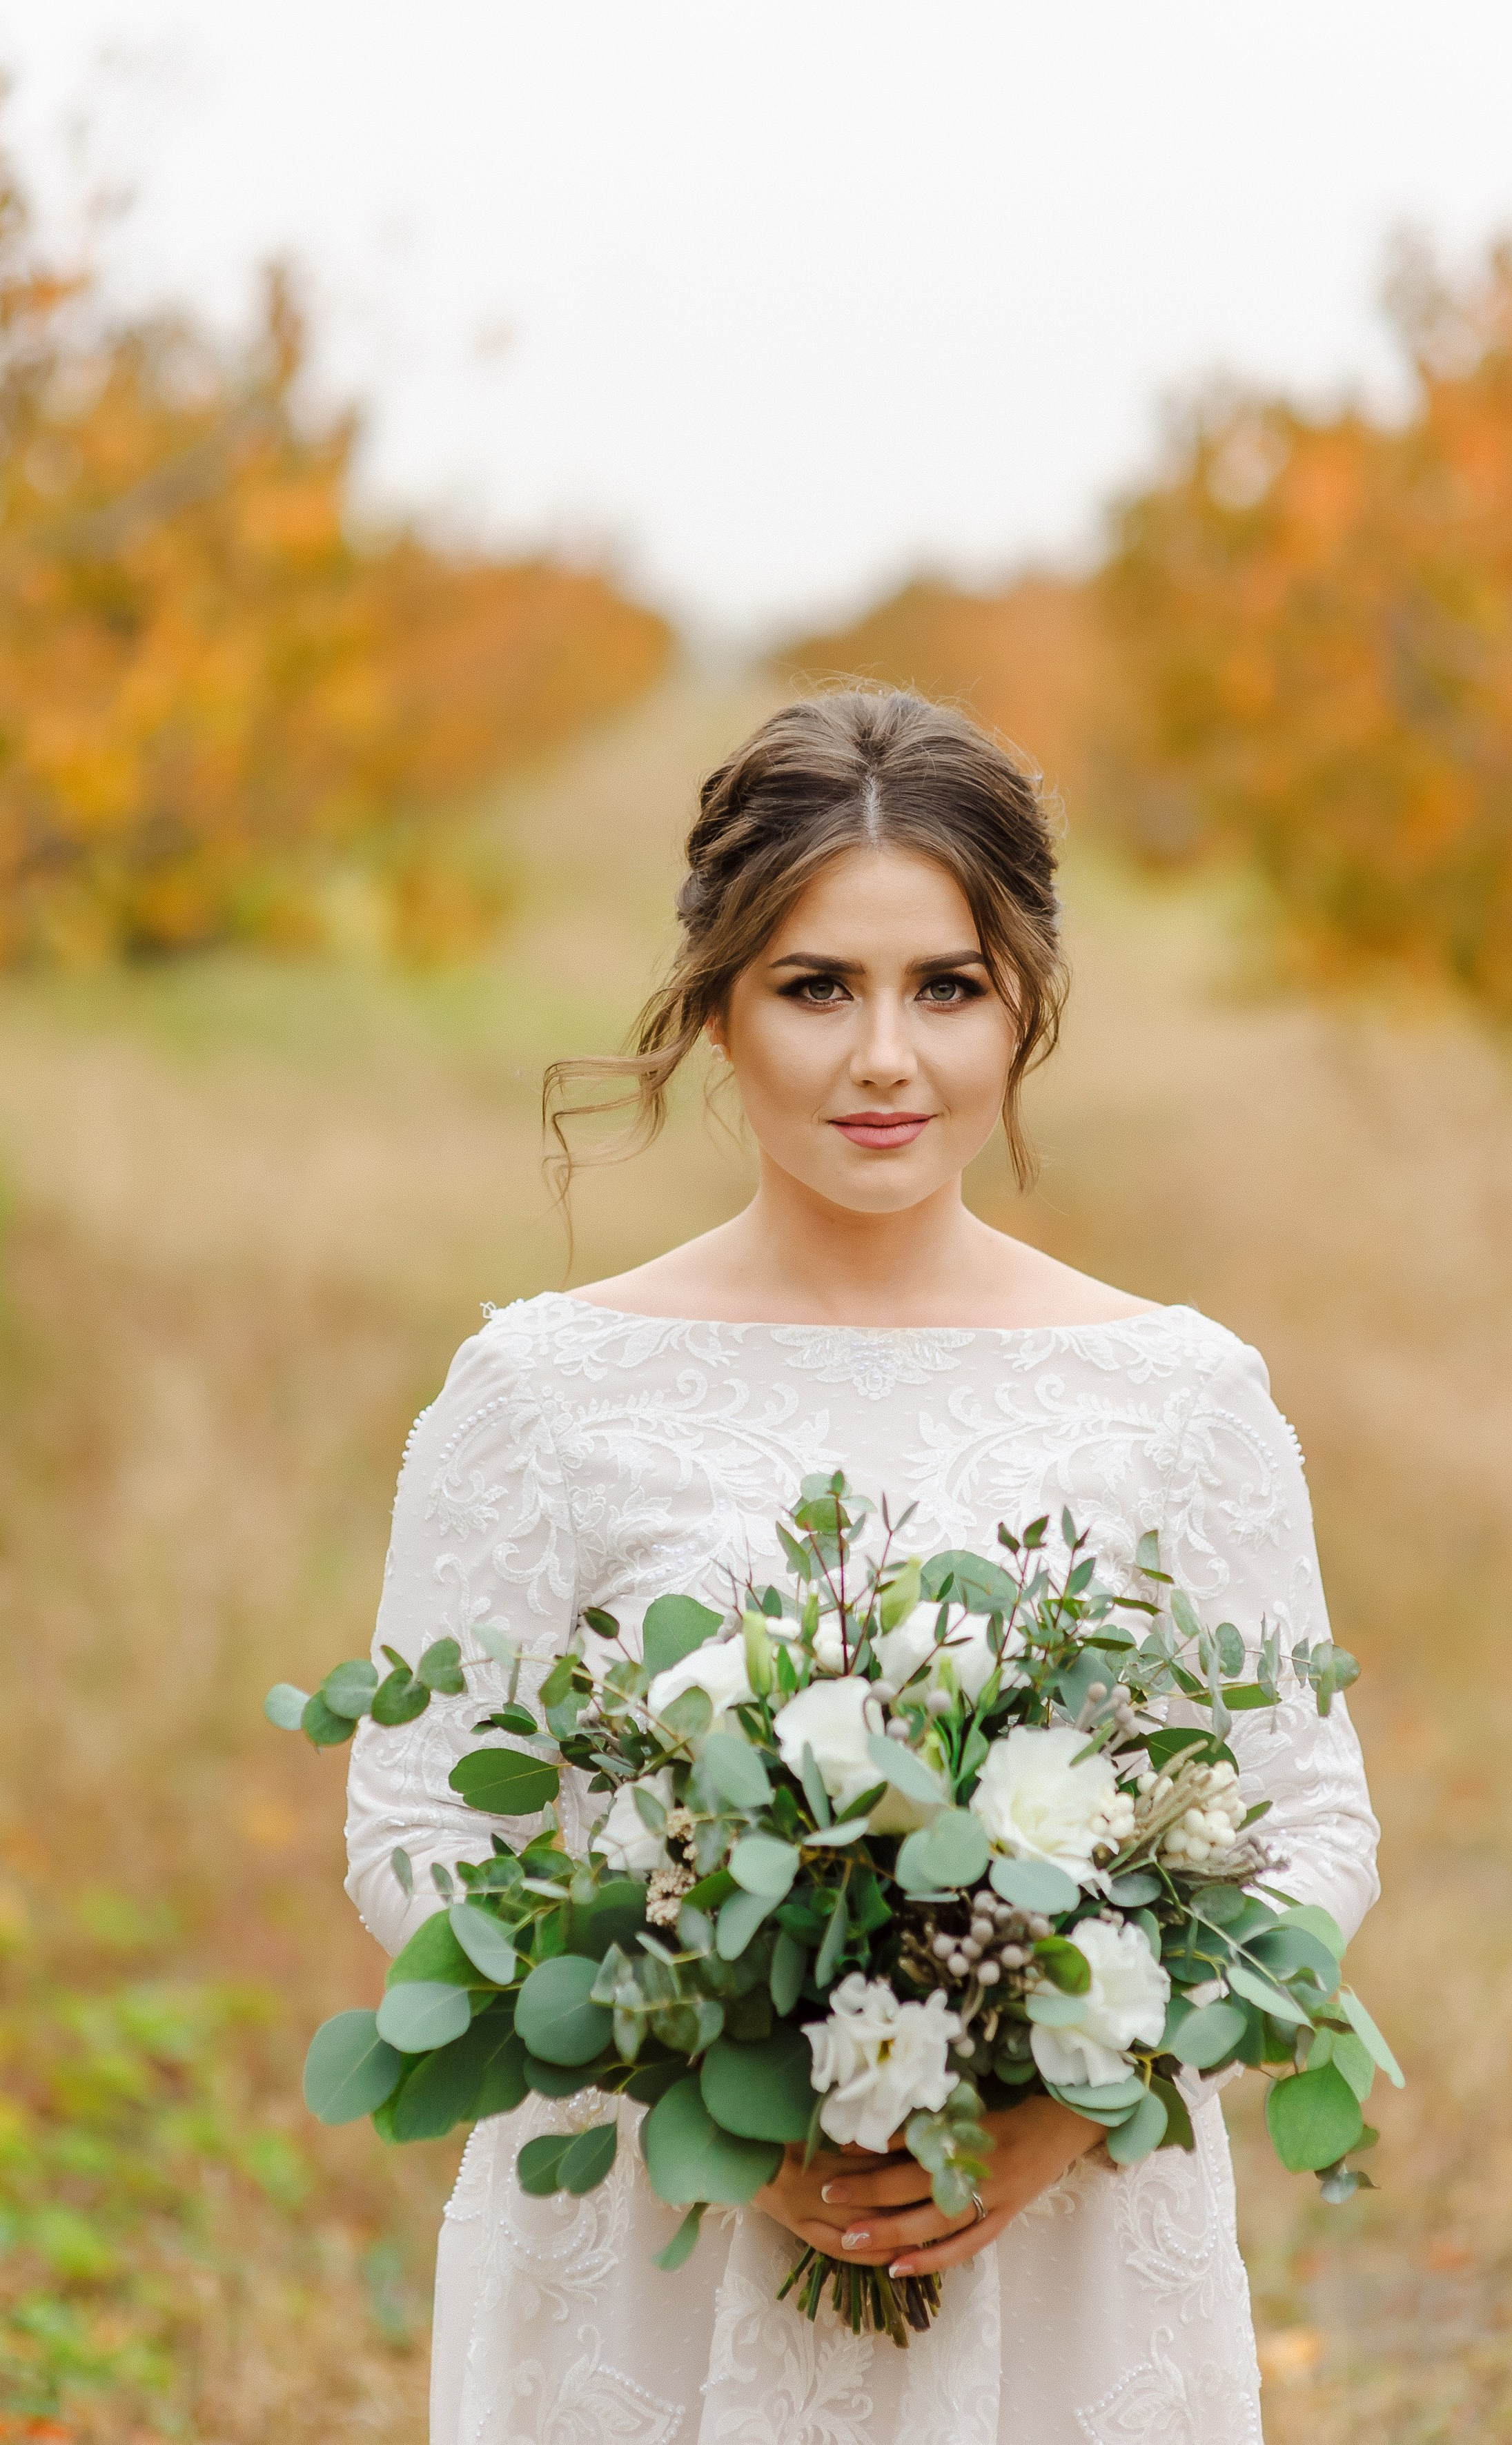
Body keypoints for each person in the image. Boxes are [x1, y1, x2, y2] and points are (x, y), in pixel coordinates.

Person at [344, 688, 1380, 2445]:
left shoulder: (1180, 1395)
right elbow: (419, 1818)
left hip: (1055, 2258)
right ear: (718, 1005)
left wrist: (1058, 2109)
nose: (885, 1057)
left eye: (946, 987)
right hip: (664, 2242)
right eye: (818, 986)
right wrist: (709, 2090)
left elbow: (1307, 1824)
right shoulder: (541, 1392)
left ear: (1024, 999)